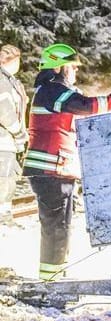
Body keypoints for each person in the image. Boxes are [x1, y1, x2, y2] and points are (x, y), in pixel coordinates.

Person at [22, 43, 111, 281]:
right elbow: (85, 105)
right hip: (51, 171)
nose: (76, 72)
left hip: (57, 171)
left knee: (60, 230)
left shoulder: (54, 91)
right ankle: (51, 284)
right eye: (72, 67)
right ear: (59, 67)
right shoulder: (52, 90)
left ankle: (55, 279)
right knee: (57, 230)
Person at [0, 44, 28, 225]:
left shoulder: (10, 80)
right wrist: (18, 133)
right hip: (4, 140)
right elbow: (5, 111)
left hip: (8, 140)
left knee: (8, 178)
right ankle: (4, 217)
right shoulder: (3, 82)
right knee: (5, 179)